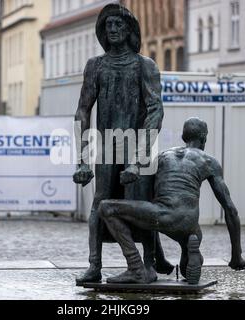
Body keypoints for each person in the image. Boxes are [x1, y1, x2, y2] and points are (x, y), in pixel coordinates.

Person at [73, 4, 173, 284]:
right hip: (107, 147)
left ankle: (149, 265)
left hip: (138, 147)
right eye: (108, 25)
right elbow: (83, 110)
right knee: (100, 204)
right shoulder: (95, 66)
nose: (113, 29)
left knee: (142, 206)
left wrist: (140, 155)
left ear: (129, 30)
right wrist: (82, 158)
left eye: (119, 24)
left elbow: (156, 110)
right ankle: (95, 266)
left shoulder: (145, 65)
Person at [99, 118, 245, 284]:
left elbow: (147, 199)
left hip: (161, 216)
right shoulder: (208, 161)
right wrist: (236, 257)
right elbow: (230, 210)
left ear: (183, 137)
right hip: (189, 222)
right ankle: (191, 250)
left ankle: (136, 266)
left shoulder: (163, 157)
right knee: (188, 247)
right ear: (204, 139)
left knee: (107, 208)